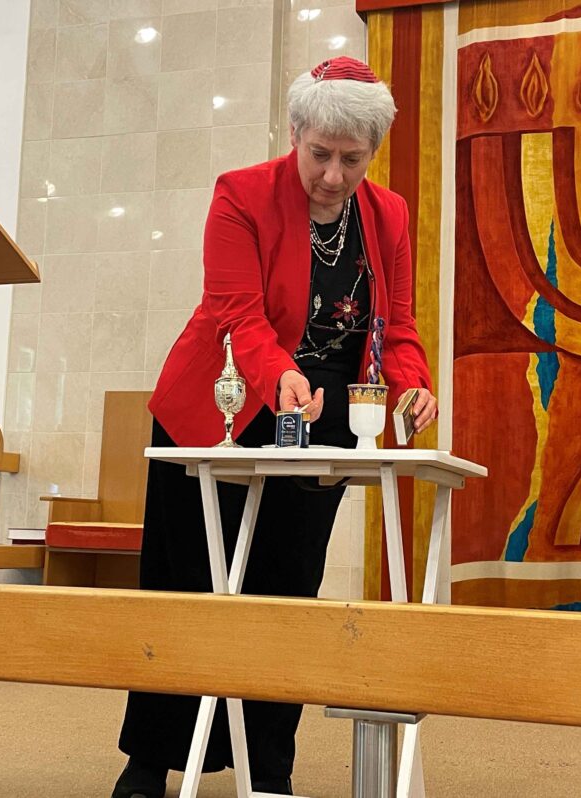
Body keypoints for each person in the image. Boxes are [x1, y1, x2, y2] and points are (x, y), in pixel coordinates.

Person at [112, 56, 436, 798]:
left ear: (372, 155)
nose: (332, 175)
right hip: (222, 399)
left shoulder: (387, 214)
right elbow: (236, 310)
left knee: (286, 588)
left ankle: (270, 771)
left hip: (317, 412)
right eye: (320, 153)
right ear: (295, 133)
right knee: (186, 584)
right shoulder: (242, 195)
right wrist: (277, 375)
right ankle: (151, 762)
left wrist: (413, 388)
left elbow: (400, 326)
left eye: (352, 160)